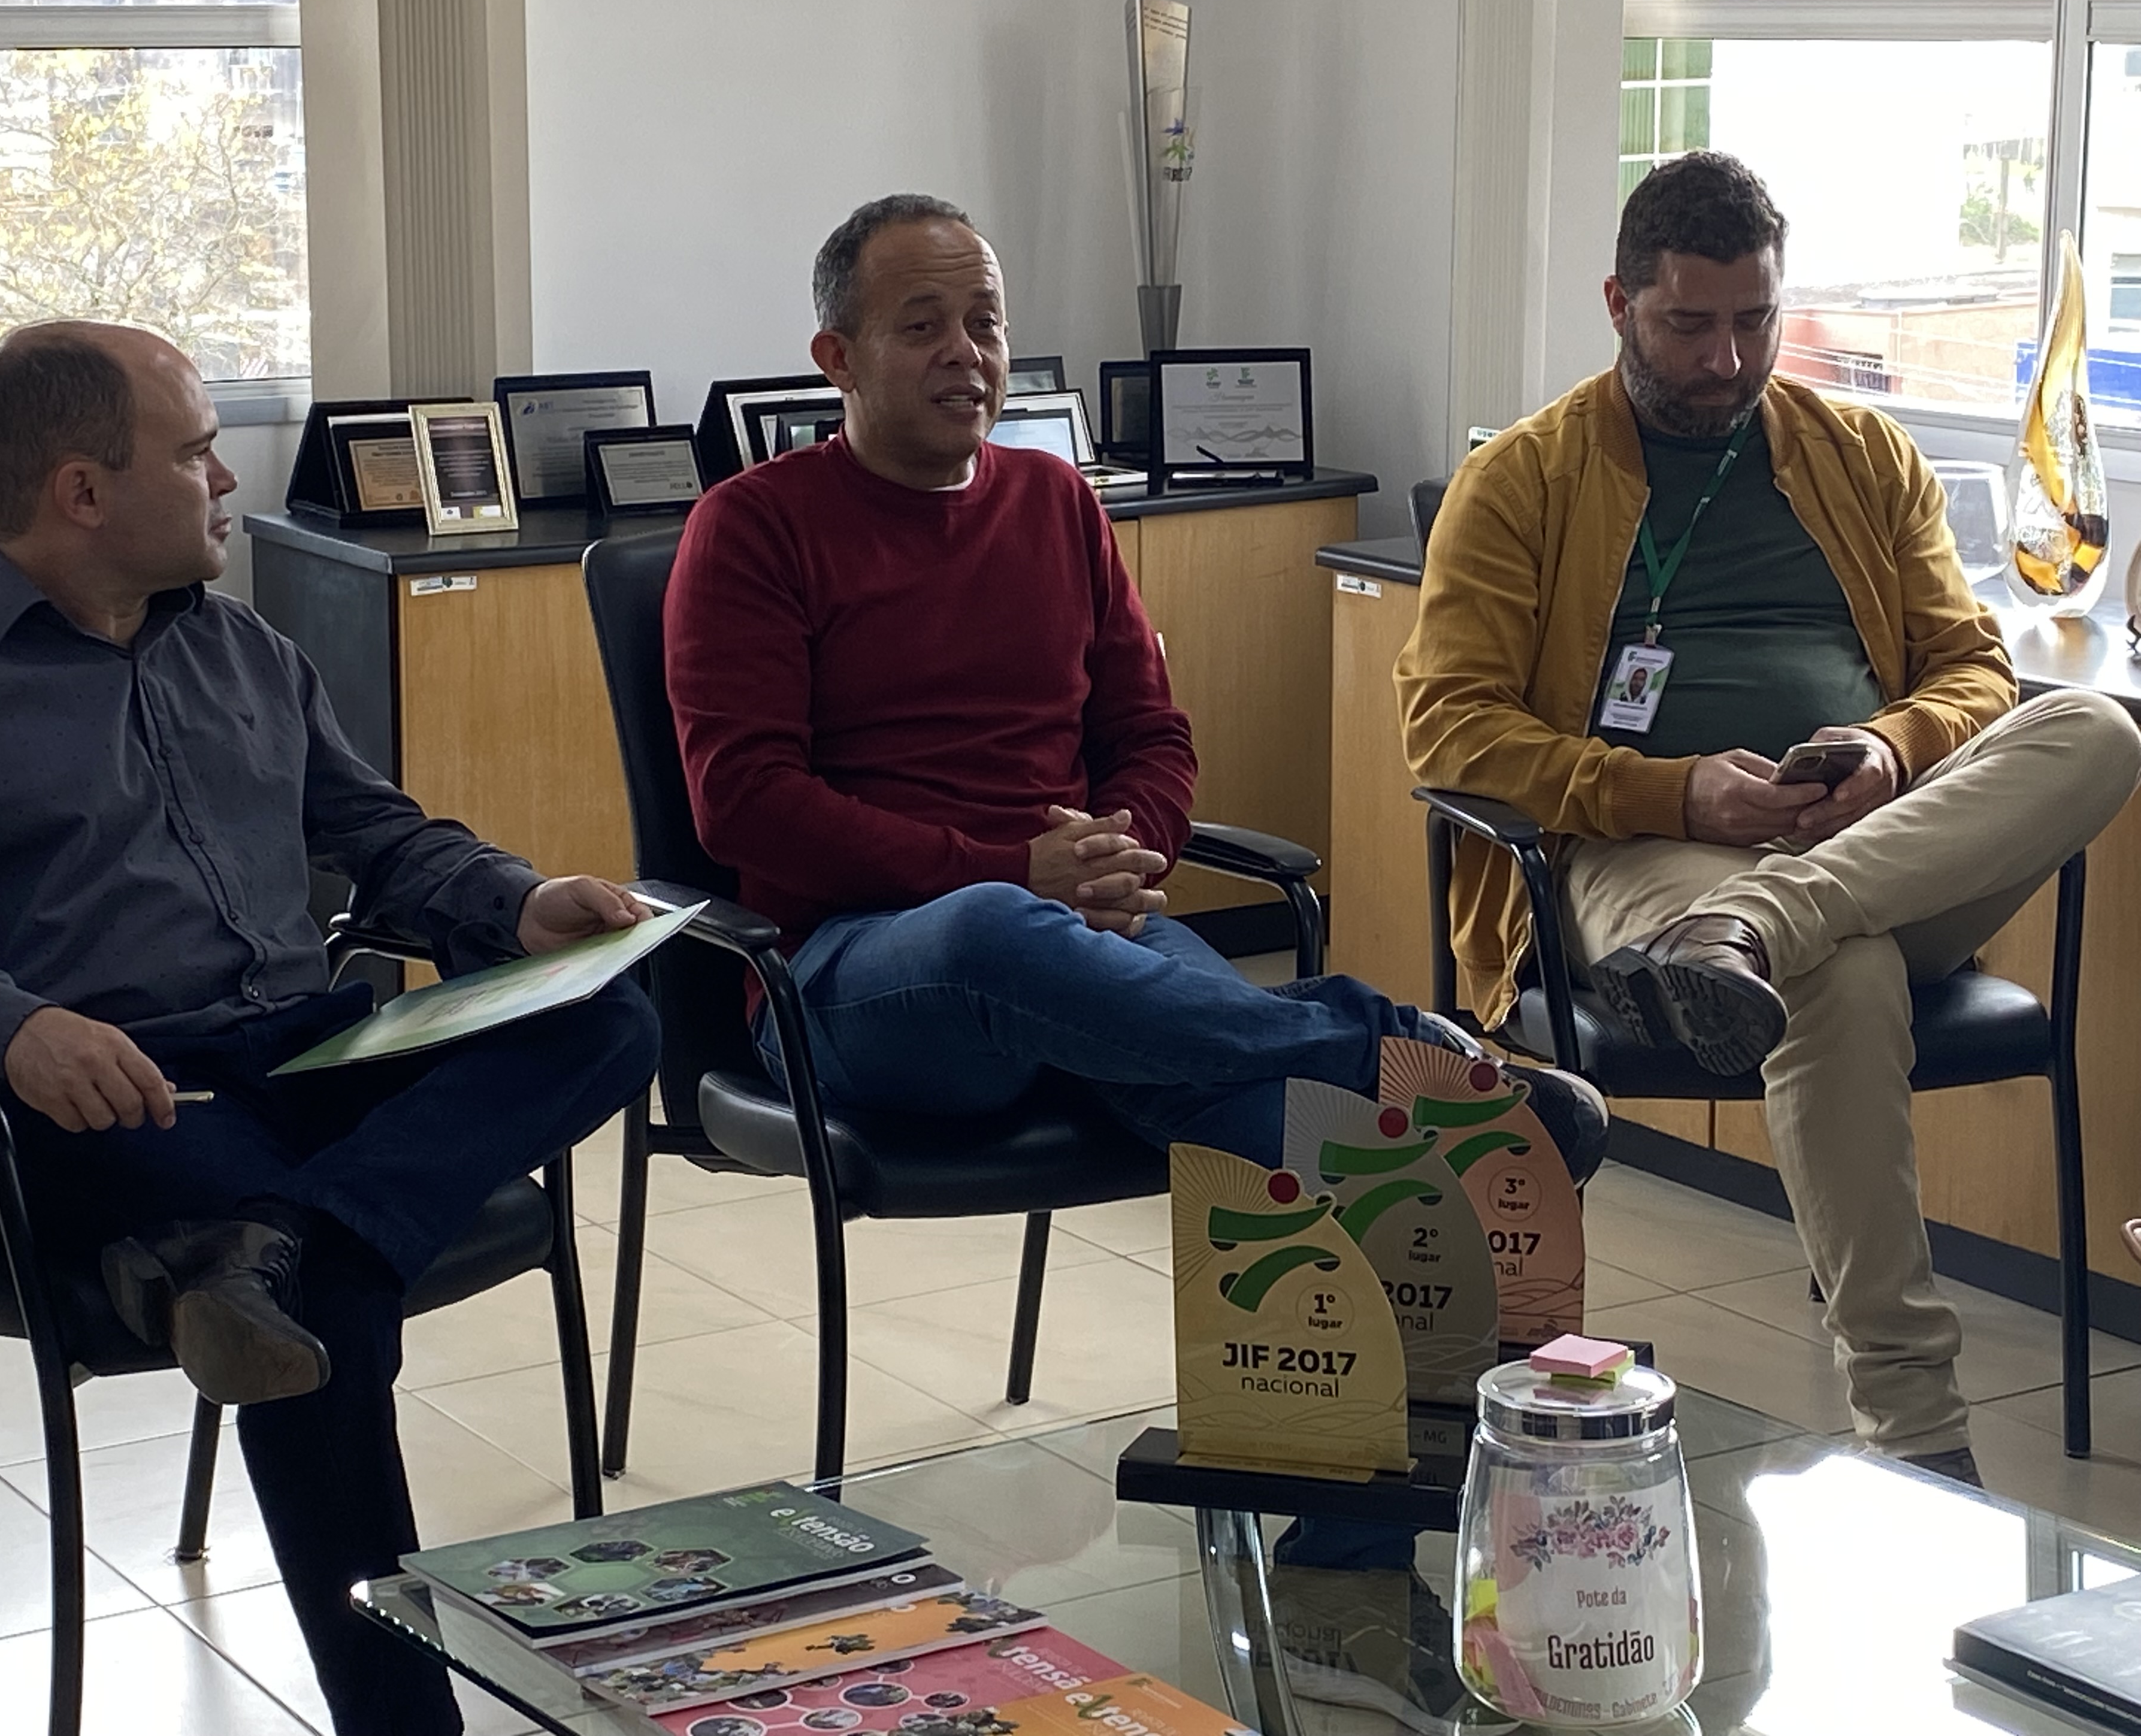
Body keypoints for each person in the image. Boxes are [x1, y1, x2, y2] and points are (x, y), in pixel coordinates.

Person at [0, 321, 661, 1736]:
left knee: (608, 1014)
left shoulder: (246, 651)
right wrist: (16, 1028)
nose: (226, 480)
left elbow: (380, 837)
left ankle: (274, 1247)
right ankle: (397, 1705)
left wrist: (520, 899)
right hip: (119, 1098)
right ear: (82, 491)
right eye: (193, 454)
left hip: (306, 1050)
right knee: (328, 1311)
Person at [1395, 150, 2141, 1484]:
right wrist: (1678, 788)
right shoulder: (1525, 478)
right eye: (1690, 324)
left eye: (1756, 321)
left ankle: (1757, 925)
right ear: (1618, 302)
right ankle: (1921, 1435)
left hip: (1865, 843)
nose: (1728, 361)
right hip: (1640, 856)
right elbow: (1451, 729)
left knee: (2096, 729)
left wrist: (1888, 748)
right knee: (1838, 976)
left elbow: (1972, 668)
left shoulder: (1860, 453)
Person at [663, 192, 1608, 1181]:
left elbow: (1151, 736)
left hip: (1083, 933)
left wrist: (1116, 859)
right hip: (852, 972)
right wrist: (1010, 872)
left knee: (1293, 1124)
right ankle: (1387, 1042)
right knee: (997, 931)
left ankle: (1488, 1224)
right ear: (838, 359)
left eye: (986, 323)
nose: (965, 353)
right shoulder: (752, 528)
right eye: (922, 327)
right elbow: (746, 804)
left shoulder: (1056, 501)